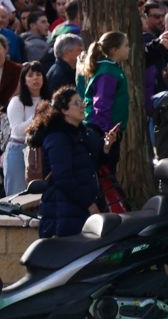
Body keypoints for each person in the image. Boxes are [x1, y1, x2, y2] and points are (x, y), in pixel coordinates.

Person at [26, 86, 113, 237]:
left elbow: (90, 166)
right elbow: (63, 178)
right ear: (64, 110)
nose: (82, 106)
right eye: (77, 103)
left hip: (80, 209)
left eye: (82, 102)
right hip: (63, 212)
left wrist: (106, 148)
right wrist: (88, 203)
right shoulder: (57, 137)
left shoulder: (83, 133)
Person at [77, 32, 131, 141]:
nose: (129, 49)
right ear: (114, 50)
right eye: (126, 45)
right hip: (103, 131)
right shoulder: (108, 71)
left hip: (109, 130)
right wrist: (105, 133)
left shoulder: (111, 68)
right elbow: (101, 104)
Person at [5, 60, 45, 194]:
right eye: (30, 75)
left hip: (42, 150)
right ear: (24, 80)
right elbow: (17, 131)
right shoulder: (17, 102)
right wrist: (37, 116)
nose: (35, 78)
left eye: (39, 74)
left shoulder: (49, 100)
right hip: (19, 149)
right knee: (17, 193)